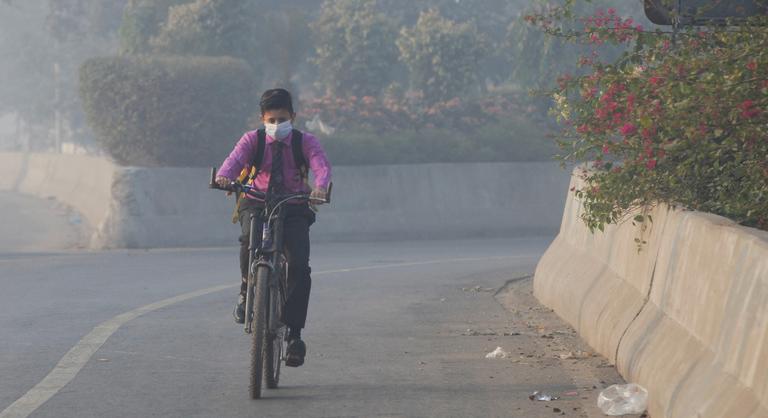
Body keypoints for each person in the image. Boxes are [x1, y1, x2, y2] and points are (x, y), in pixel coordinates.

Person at [215, 88, 331, 367]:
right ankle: (246, 292)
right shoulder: (251, 140)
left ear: (293, 116)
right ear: (262, 119)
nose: (277, 125)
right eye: (272, 119)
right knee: (248, 241)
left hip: (294, 205)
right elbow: (233, 162)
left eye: (282, 119)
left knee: (300, 267)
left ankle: (294, 334)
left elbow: (321, 166)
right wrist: (223, 177)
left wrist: (320, 187)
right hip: (256, 201)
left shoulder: (305, 141)